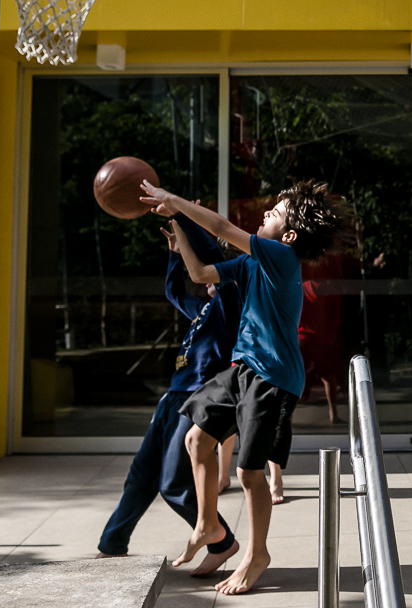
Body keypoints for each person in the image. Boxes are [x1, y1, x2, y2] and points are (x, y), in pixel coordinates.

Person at [140, 179, 357, 595]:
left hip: (273, 379)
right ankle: (206, 523)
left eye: (273, 214)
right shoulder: (253, 263)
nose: (264, 215)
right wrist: (180, 232)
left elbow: (221, 227)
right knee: (196, 441)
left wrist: (177, 204)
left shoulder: (280, 257)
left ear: (289, 235)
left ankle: (257, 554)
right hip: (242, 370)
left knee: (248, 471)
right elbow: (200, 273)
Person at [95, 213, 240, 575]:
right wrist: (176, 251)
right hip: (171, 400)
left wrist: (185, 221)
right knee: (141, 474)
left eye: (203, 266)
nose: (199, 272)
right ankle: (112, 545)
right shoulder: (202, 310)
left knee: (175, 484)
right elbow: (175, 291)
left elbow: (217, 264)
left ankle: (222, 540)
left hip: (196, 400)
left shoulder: (228, 307)